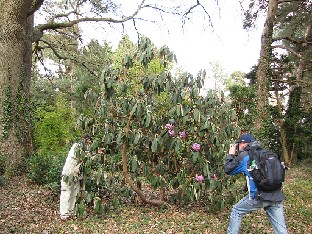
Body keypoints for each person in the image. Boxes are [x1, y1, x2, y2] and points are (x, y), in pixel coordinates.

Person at [224, 133, 288, 234]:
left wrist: (231, 154)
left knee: (236, 211)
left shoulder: (245, 156)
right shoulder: (266, 153)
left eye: (238, 144)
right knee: (281, 229)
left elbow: (228, 169)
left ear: (243, 144)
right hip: (276, 194)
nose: (237, 147)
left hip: (259, 196)